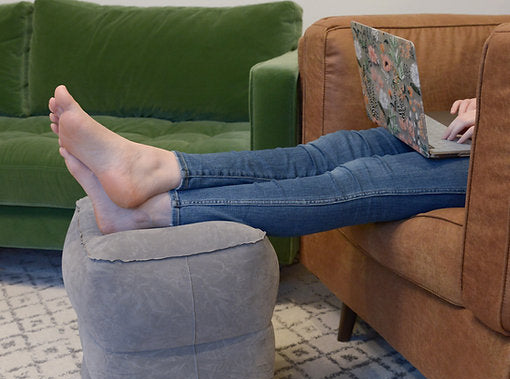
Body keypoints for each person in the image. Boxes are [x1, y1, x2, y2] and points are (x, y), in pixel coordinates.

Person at [48, 85, 476, 237]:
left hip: (498, 165)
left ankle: (149, 214)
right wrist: (488, 103)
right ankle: (155, 169)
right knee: (332, 151)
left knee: (357, 179)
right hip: (484, 134)